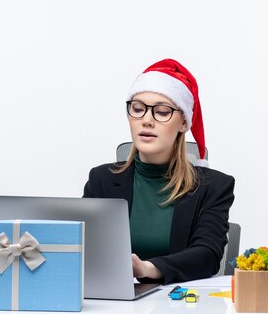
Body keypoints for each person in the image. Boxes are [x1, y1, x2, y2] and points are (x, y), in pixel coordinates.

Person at [83, 58, 235, 284]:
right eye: (137, 109)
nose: (146, 120)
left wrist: (147, 268)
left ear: (183, 123)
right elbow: (83, 248)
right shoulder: (101, 180)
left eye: (162, 112)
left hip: (177, 303)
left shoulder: (214, 186)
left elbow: (207, 255)